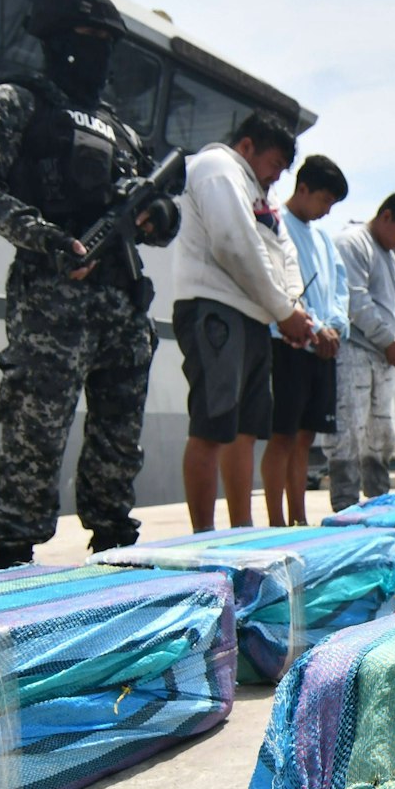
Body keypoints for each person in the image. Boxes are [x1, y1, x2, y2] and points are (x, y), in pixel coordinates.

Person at [0, 0, 182, 571]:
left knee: (118, 437)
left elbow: (163, 220)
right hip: (53, 297)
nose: (98, 52)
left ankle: (112, 544)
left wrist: (153, 212)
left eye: (107, 41)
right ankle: (13, 551)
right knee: (35, 428)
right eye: (87, 39)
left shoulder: (123, 129)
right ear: (53, 40)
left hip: (121, 300)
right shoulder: (13, 103)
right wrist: (49, 239)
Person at [169, 112, 313, 532]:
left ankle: (242, 528)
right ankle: (203, 534)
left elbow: (284, 254)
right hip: (214, 306)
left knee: (245, 430)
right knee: (212, 426)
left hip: (255, 316)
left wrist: (292, 307)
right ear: (247, 146)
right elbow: (234, 243)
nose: (276, 177)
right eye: (273, 165)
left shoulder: (261, 196)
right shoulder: (217, 167)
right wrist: (284, 312)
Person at [261, 153, 350, 525]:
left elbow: (340, 290)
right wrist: (314, 328)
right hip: (289, 342)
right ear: (304, 188)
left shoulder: (325, 241)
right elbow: (280, 285)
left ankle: (298, 516)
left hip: (323, 349)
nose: (327, 211)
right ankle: (276, 520)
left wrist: (335, 327)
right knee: (282, 434)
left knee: (305, 437)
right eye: (324, 200)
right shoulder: (276, 225)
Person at [328, 189, 395, 511]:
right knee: (349, 430)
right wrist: (389, 341)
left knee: (382, 433)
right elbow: (355, 299)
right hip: (353, 349)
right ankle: (345, 506)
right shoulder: (352, 242)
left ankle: (379, 504)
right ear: (386, 217)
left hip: (386, 356)